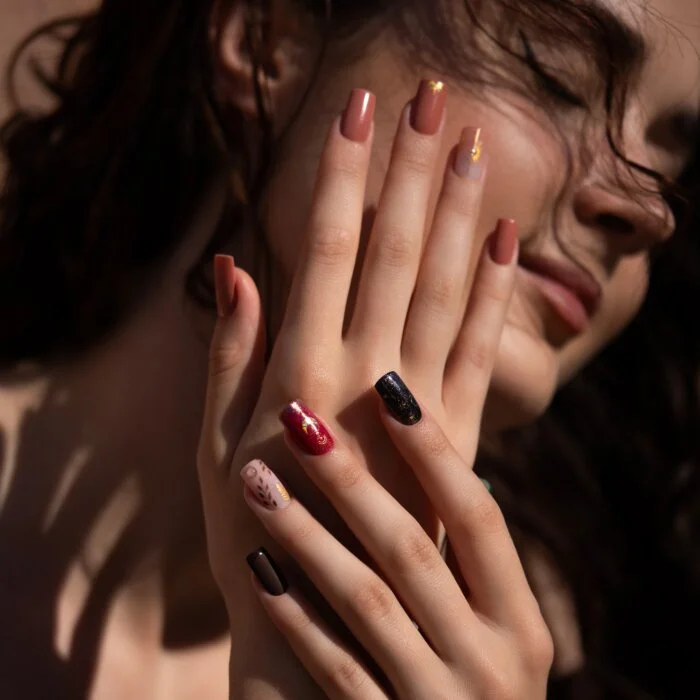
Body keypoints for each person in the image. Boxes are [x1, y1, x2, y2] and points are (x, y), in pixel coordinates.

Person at [0, 0, 698, 697]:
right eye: (556, 77)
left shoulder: (607, 657)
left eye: (674, 165)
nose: (649, 210)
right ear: (264, 41)